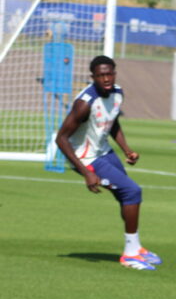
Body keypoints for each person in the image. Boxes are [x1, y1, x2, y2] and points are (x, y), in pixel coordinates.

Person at [55, 55, 161, 271]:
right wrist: (86, 172)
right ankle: (130, 255)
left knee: (126, 196)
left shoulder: (118, 92)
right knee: (132, 191)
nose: (106, 78)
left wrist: (126, 150)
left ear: (115, 72)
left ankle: (136, 247)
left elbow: (113, 122)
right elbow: (61, 139)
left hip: (104, 151)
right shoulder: (84, 104)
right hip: (85, 158)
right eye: (101, 75)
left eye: (110, 73)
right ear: (93, 77)